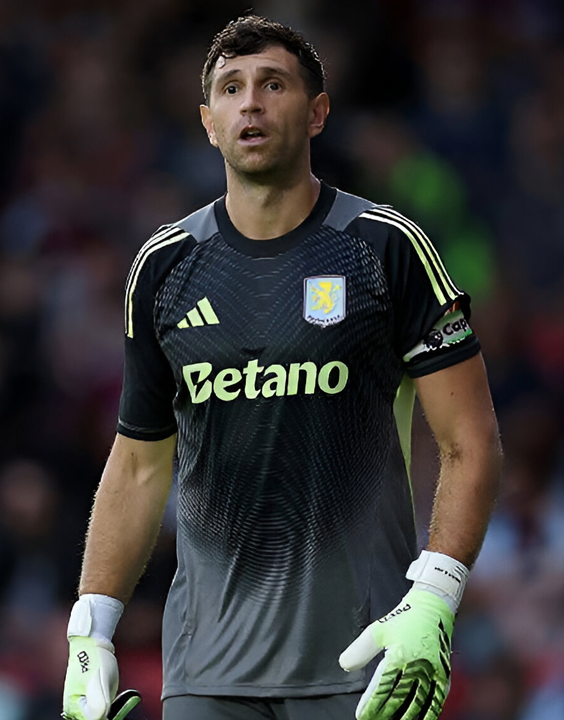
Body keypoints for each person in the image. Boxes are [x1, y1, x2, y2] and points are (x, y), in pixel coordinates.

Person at [63, 15, 503, 720]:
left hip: (361, 661)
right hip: (206, 671)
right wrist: (91, 631)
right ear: (209, 123)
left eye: (274, 84)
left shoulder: (385, 248)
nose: (252, 104)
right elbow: (140, 462)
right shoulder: (164, 268)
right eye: (231, 89)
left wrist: (436, 595)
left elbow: (469, 441)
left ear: (319, 111)